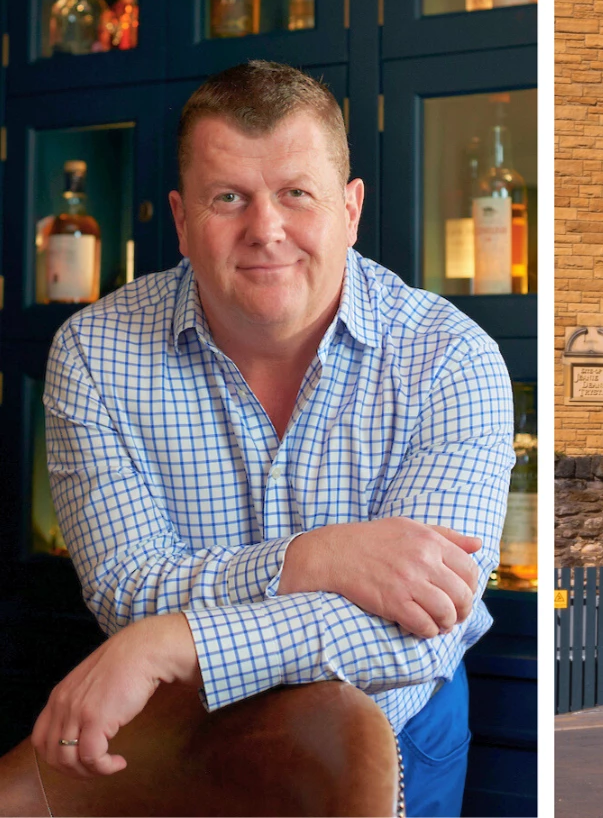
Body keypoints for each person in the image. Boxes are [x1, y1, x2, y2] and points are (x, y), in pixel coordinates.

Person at [31, 60, 512, 817]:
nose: (266, 229)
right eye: (229, 198)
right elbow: (128, 588)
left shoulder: (453, 359)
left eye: (297, 193)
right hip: (182, 732)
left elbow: (416, 635)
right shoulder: (95, 354)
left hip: (393, 726)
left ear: (351, 210)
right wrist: (317, 559)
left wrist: (174, 643)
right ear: (183, 221)